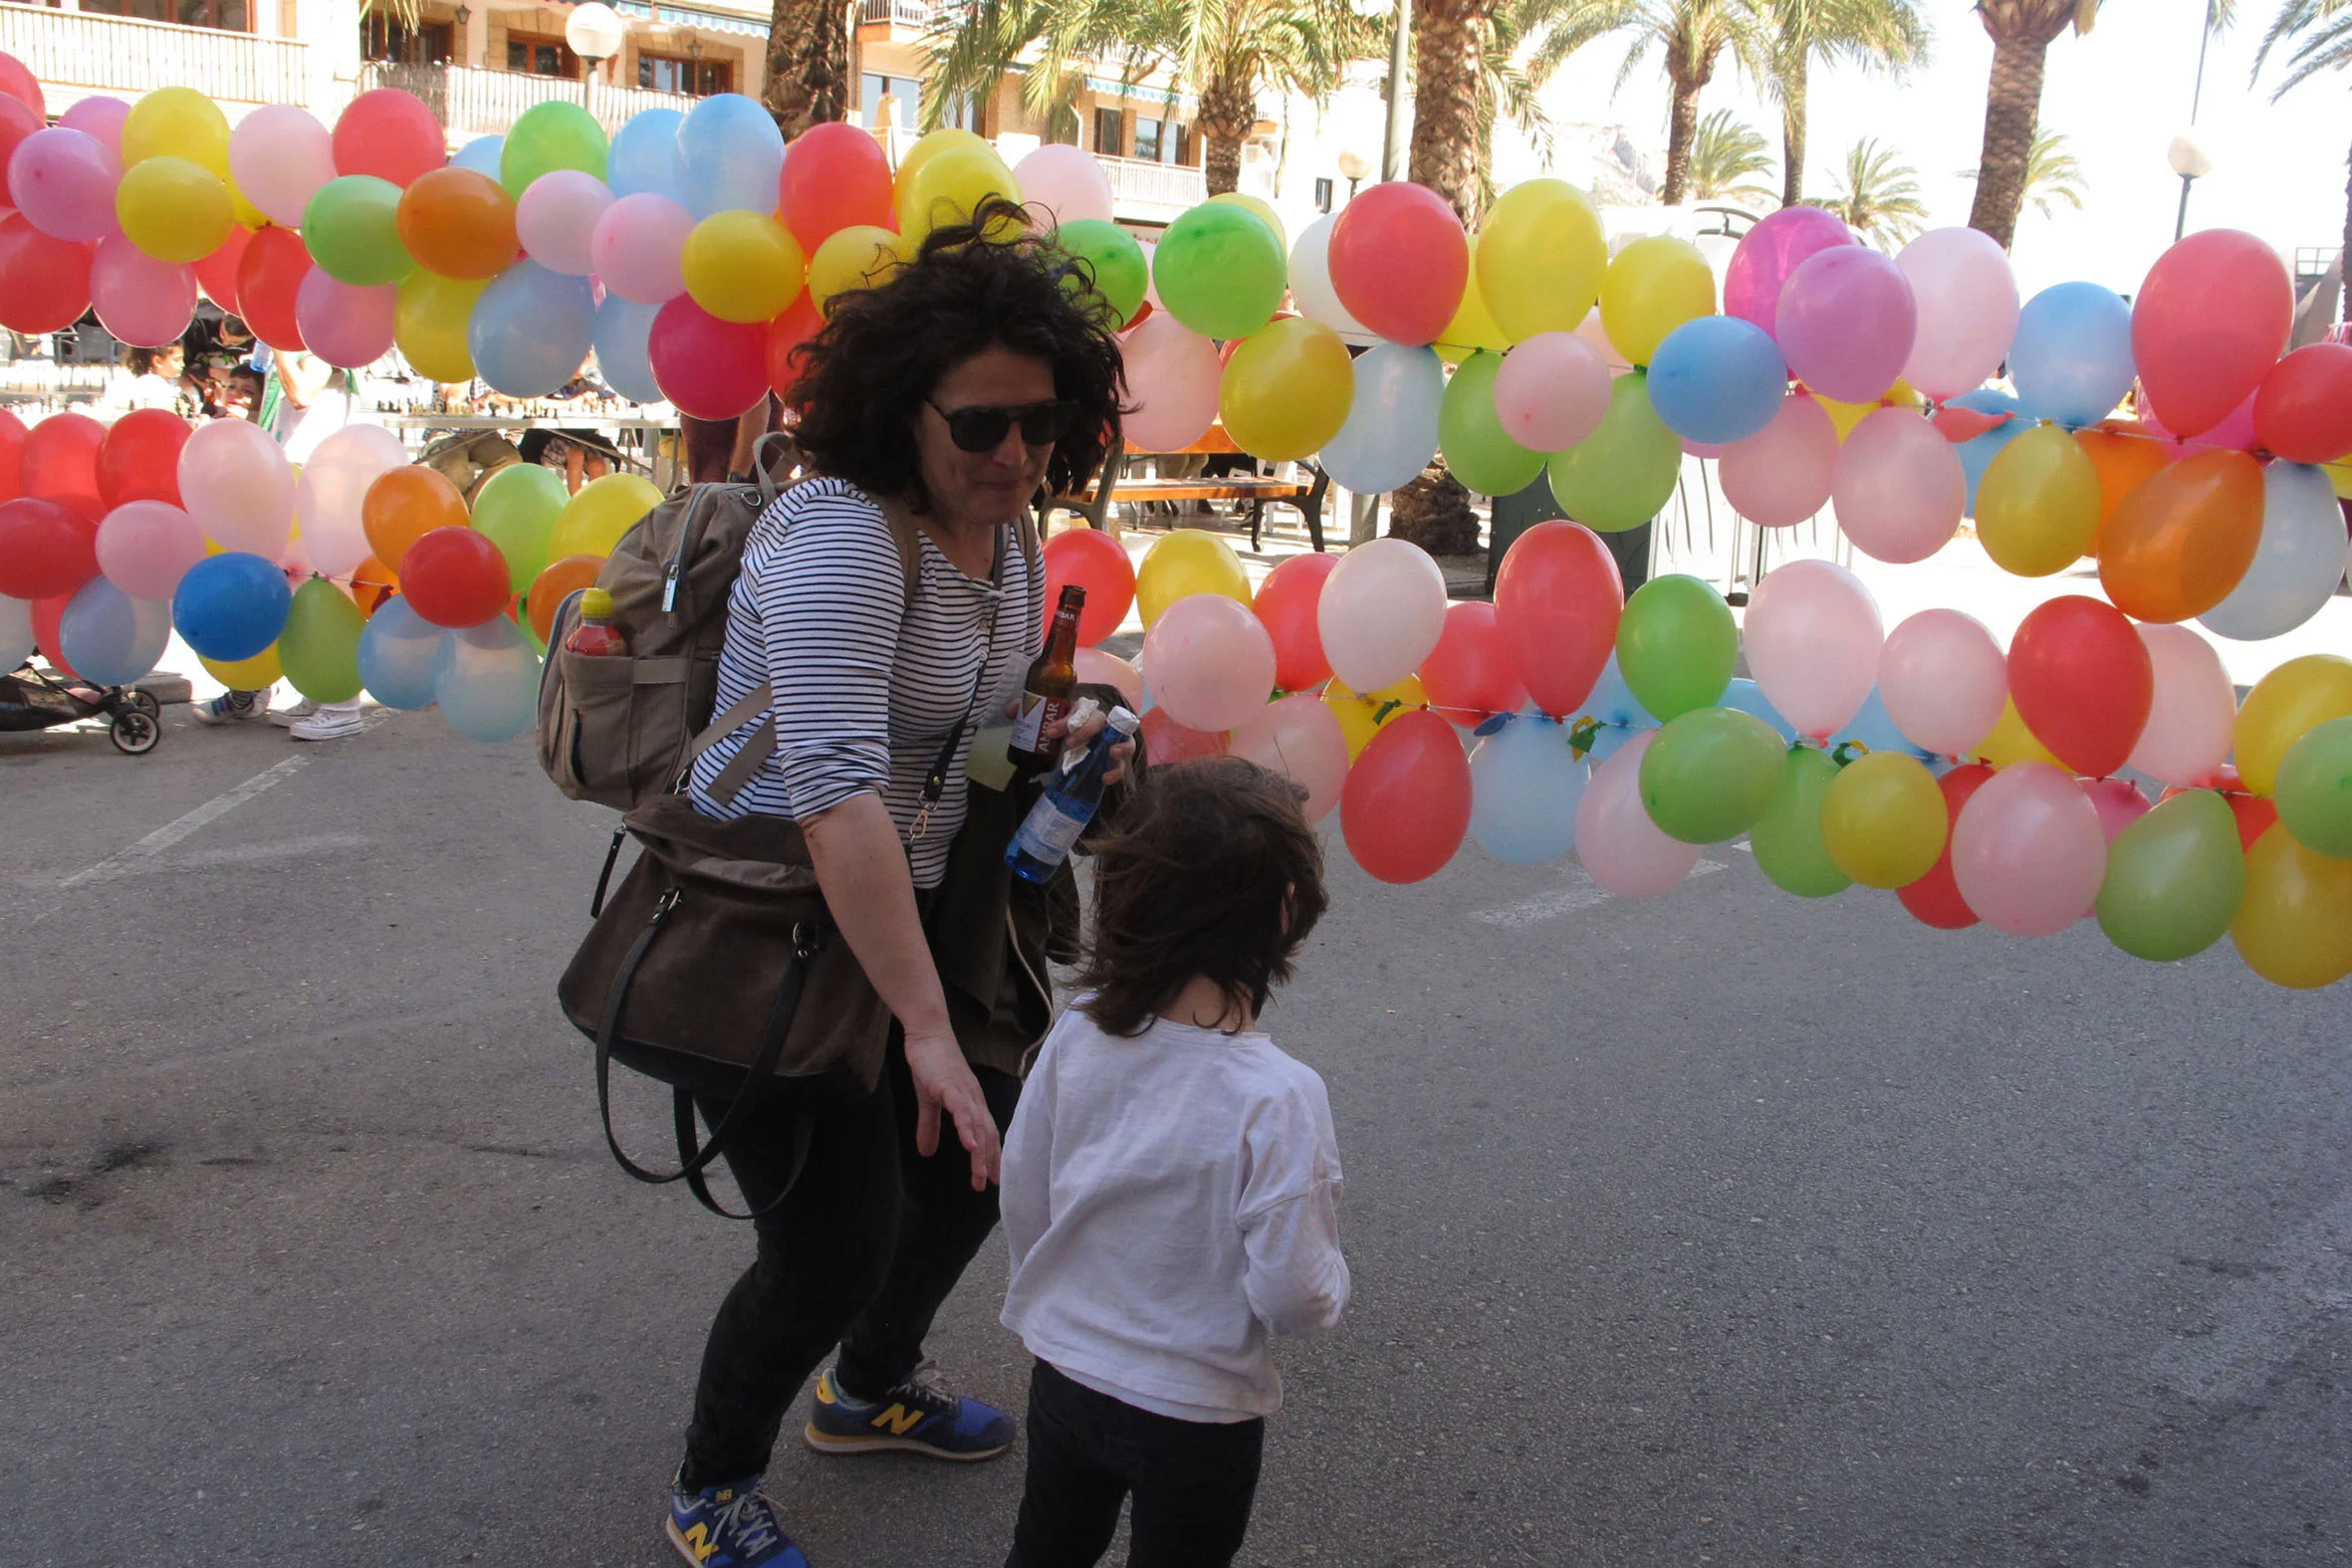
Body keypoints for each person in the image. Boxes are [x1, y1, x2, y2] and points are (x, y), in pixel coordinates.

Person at [658, 198, 1127, 1568]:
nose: (1014, 451)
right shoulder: (840, 538)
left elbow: (960, 737)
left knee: (982, 1160)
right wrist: (921, 1025)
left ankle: (865, 1386)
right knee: (828, 1240)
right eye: (977, 422)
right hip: (772, 924)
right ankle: (709, 1482)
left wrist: (1055, 738)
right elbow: (833, 795)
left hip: (915, 904)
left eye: (1040, 422)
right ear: (898, 410)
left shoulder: (1017, 540)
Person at [997, 757, 1348, 1568]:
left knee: (1045, 1550)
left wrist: (1057, 1292)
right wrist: (1335, 1286)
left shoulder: (1079, 1031)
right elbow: (1294, 1290)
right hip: (1198, 1410)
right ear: (1286, 912)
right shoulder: (1279, 1096)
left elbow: (1025, 1187)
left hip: (1068, 1373)